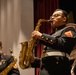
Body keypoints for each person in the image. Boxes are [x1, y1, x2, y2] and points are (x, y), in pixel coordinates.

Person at [28, 9, 76, 75]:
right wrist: (34, 60)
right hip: (46, 70)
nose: (52, 18)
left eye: (56, 15)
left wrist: (42, 36)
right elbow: (48, 59)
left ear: (64, 19)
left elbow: (63, 44)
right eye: (52, 16)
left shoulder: (69, 29)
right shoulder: (52, 35)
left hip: (59, 68)